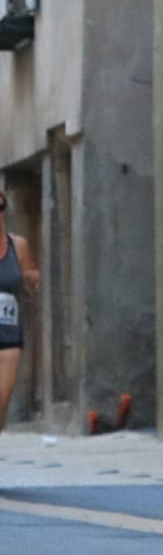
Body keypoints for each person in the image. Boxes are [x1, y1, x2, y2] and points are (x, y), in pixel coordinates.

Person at [0, 184, 42, 434]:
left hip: (9, 332)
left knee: (2, 398)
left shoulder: (19, 245)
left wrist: (33, 279)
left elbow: (28, 275)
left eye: (0, 206)